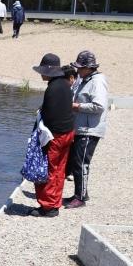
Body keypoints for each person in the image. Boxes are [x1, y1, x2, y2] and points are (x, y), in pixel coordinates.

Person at [29, 53, 74, 217]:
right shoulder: (65, 84)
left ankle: (48, 207)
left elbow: (49, 116)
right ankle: (55, 203)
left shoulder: (53, 88)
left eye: (43, 71)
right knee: (59, 170)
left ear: (49, 71)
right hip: (68, 133)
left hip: (55, 136)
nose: (41, 74)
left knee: (49, 170)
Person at [64, 50, 107, 208]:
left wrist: (76, 106)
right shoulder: (85, 80)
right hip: (82, 128)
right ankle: (80, 194)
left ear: (89, 67)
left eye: (80, 67)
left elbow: (99, 106)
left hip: (90, 129)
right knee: (77, 162)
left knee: (81, 163)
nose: (78, 70)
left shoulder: (97, 81)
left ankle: (80, 198)